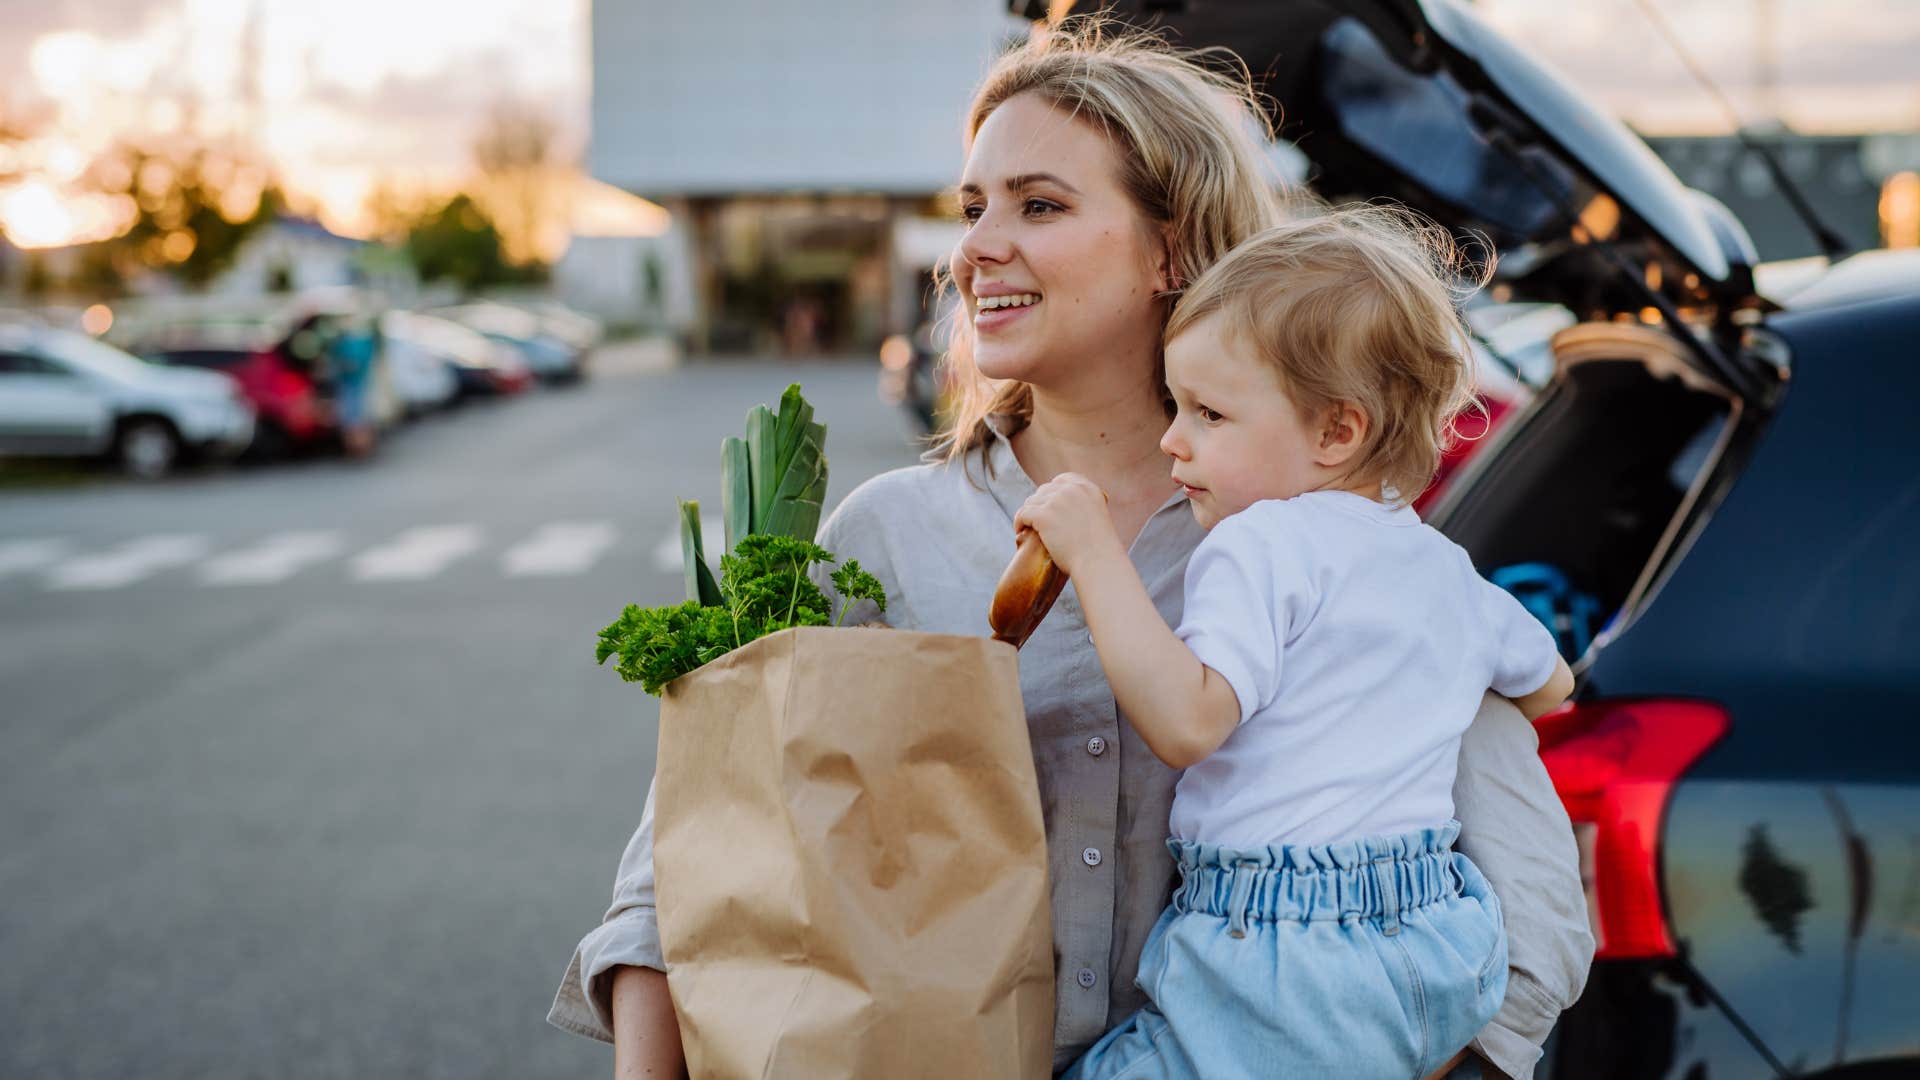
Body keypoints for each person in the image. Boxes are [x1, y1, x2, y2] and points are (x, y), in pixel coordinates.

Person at [549, 21, 1594, 1079]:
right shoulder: (889, 536)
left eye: (1038, 205)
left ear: (1171, 249)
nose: (975, 247)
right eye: (972, 209)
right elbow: (686, 871)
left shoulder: (1334, 544)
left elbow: (1535, 892)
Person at [1013, 208, 1576, 1080]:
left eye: (1208, 413)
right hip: (1440, 940)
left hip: (1281, 956)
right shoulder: (1444, 567)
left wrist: (1091, 550)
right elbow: (1551, 687)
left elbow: (1188, 721)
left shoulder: (1261, 542)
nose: (1174, 440)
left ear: (1335, 432)